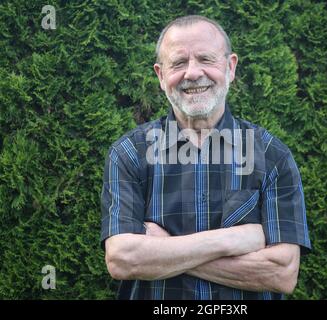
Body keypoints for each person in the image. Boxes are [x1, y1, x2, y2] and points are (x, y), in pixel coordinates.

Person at [100, 15, 311, 300]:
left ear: (230, 66)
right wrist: (235, 239)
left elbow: (282, 273)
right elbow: (123, 260)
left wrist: (165, 251)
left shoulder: (273, 155)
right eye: (178, 63)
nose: (192, 73)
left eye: (205, 59)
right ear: (161, 76)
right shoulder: (129, 154)